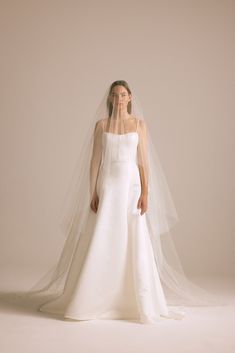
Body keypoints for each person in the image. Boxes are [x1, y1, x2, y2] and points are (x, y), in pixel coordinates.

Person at [0, 80, 226, 324]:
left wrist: (146, 192)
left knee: (133, 237)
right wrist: (93, 191)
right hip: (108, 186)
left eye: (123, 95)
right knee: (103, 235)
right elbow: (95, 160)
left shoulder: (139, 125)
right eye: (115, 95)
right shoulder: (101, 126)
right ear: (110, 99)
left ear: (130, 98)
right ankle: (94, 295)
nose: (119, 99)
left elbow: (143, 162)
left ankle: (132, 298)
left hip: (131, 186)